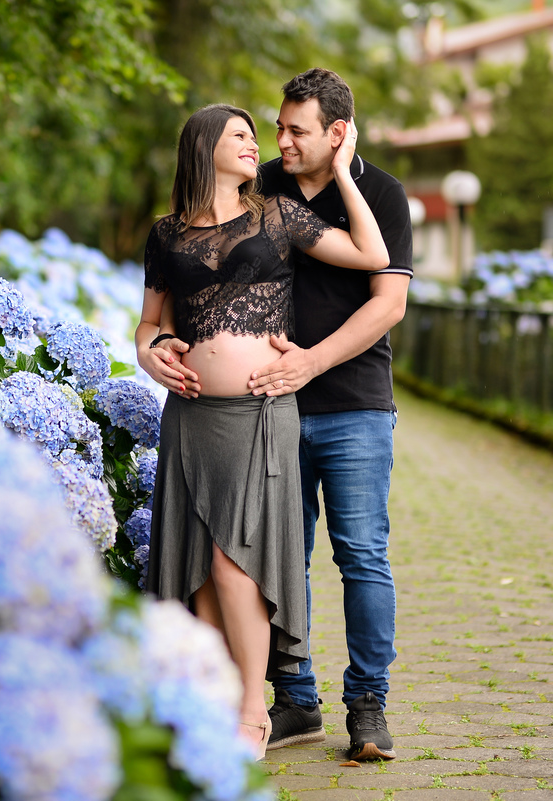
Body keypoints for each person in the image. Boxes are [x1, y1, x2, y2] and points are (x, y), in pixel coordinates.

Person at [147, 69, 412, 762]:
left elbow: (385, 293)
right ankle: (289, 701)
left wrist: (308, 362)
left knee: (357, 554)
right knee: (252, 562)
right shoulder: (256, 187)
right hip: (239, 410)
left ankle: (366, 704)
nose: (277, 141)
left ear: (336, 132)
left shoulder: (376, 192)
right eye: (274, 128)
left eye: (296, 130)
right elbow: (165, 312)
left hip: (342, 400)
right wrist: (155, 349)